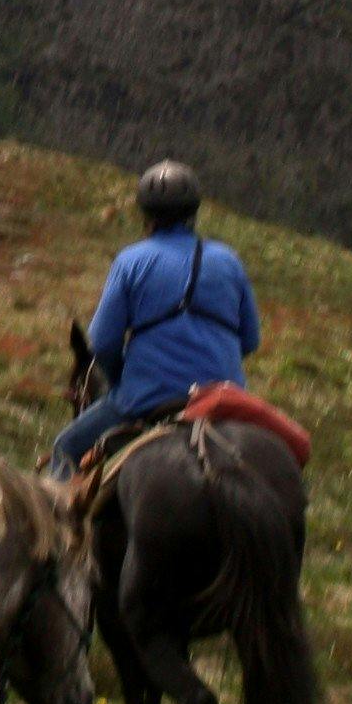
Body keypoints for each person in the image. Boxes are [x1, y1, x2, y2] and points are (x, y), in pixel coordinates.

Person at [50, 160, 261, 477]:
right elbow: (250, 340)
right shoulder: (229, 260)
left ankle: (60, 526)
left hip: (147, 394)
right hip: (222, 395)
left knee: (66, 447)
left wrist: (121, 381)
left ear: (145, 215)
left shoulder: (131, 261)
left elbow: (103, 342)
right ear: (193, 212)